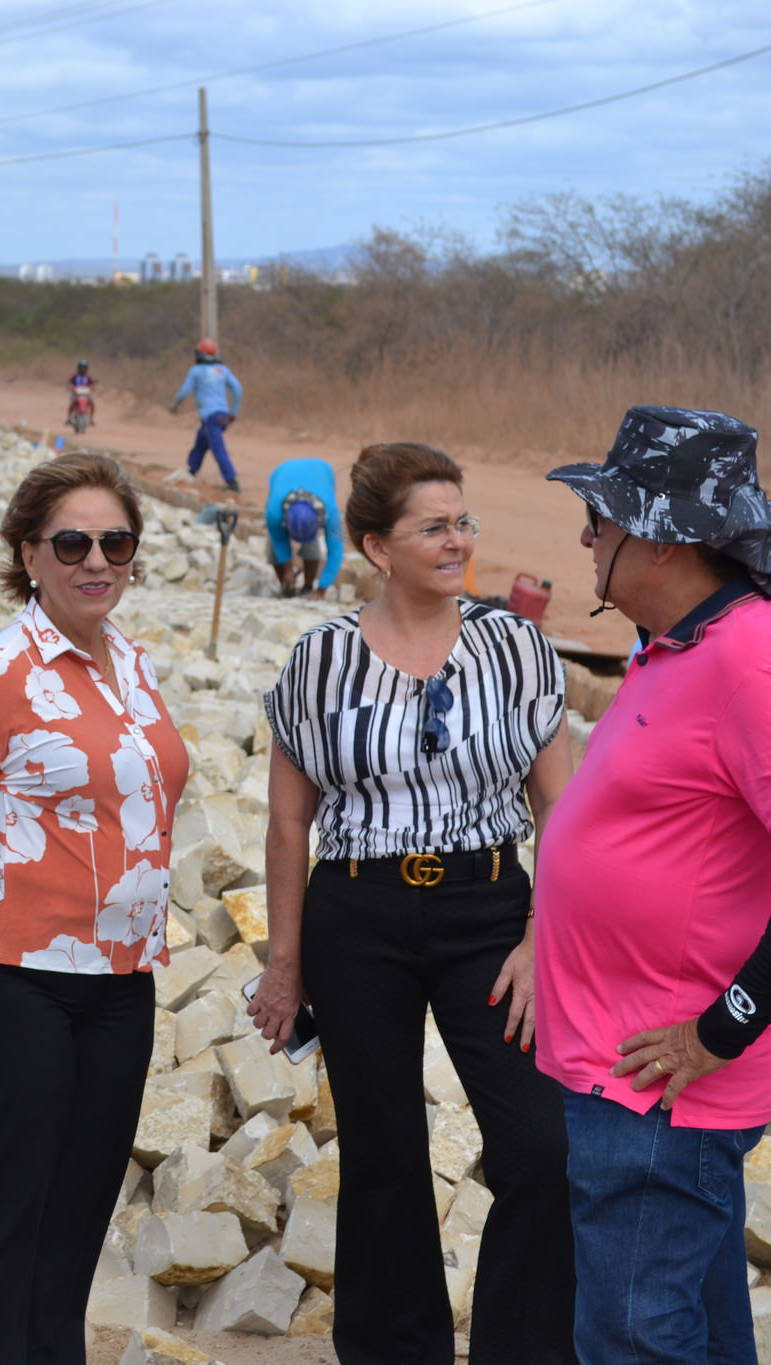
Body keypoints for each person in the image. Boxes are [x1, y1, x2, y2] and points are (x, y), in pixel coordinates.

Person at [249, 441, 576, 1365]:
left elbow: (559, 803)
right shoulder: (318, 662)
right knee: (385, 1156)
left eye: (463, 521)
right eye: (433, 527)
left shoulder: (516, 647)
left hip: (490, 913)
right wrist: (286, 962)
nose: (457, 541)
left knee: (542, 1151)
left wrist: (542, 935)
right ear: (375, 546)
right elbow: (286, 821)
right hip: (360, 917)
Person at [0, 450, 189, 1365]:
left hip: (119, 978)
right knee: (8, 1210)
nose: (97, 560)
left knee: (77, 1215)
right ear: (29, 554)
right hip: (5, 976)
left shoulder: (130, 666)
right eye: (72, 542)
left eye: (116, 542)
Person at [531, 405, 771, 1365]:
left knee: (636, 1338)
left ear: (661, 536)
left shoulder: (755, 657)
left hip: (659, 1078)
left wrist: (719, 1028)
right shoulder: (675, 640)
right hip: (629, 1061)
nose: (587, 532)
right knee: (701, 1327)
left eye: (602, 515)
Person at [168, 337, 243, 494]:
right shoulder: (223, 370)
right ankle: (192, 472)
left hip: (210, 416)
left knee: (218, 449)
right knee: (201, 441)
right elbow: (237, 389)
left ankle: (232, 482)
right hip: (222, 415)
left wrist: (174, 405)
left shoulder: (196, 371)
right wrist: (233, 413)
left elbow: (183, 391)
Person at [264, 457, 344, 599]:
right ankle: (287, 585)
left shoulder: (330, 513)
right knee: (273, 543)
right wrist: (287, 569)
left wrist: (322, 589)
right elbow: (278, 538)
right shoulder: (274, 512)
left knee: (310, 543)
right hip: (282, 473)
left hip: (321, 472)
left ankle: (308, 587)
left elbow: (336, 552)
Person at [65, 358, 96, 426]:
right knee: (72, 403)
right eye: (81, 367)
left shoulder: (88, 377)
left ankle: (91, 419)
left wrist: (93, 387)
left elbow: (92, 383)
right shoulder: (74, 376)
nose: (82, 369)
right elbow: (69, 383)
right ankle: (69, 418)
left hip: (86, 394)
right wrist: (70, 387)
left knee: (92, 403)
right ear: (78, 367)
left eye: (84, 367)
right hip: (76, 394)